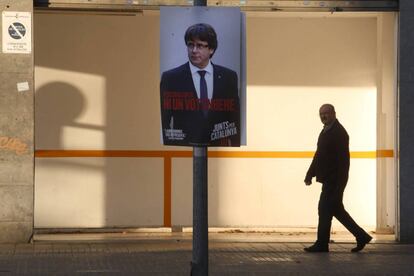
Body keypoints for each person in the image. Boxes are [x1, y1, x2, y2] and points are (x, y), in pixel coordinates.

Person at [304, 104, 372, 253]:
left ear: (334, 113)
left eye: (326, 113)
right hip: (328, 180)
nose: (323, 116)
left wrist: (339, 186)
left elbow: (343, 163)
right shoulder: (325, 131)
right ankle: (361, 236)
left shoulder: (339, 133)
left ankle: (322, 244)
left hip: (334, 182)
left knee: (324, 210)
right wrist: (310, 173)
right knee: (336, 210)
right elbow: (319, 155)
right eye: (321, 114)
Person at [160, 23, 240, 147]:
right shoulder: (171, 78)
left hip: (219, 148)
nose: (194, 50)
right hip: (183, 150)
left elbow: (234, 119)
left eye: (200, 46)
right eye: (190, 45)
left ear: (211, 49)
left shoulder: (229, 77)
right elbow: (164, 123)